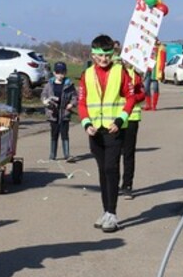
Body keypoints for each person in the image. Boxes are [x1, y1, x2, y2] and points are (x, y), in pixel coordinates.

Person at [78, 35, 144, 232]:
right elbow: (82, 102)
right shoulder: (87, 74)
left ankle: (112, 213)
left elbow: (131, 98)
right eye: (100, 55)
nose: (104, 59)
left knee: (111, 168)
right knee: (102, 171)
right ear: (93, 55)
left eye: (107, 55)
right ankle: (105, 211)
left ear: (113, 54)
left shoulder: (120, 72)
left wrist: (120, 120)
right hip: (95, 131)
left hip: (114, 130)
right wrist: (86, 123)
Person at [41, 61, 78, 162]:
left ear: (65, 72)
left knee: (64, 134)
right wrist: (45, 101)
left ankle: (67, 155)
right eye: (58, 72)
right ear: (54, 73)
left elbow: (75, 97)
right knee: (54, 134)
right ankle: (52, 155)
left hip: (64, 113)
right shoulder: (49, 84)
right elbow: (44, 94)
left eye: (62, 72)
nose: (60, 75)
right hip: (53, 113)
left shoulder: (69, 85)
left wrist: (72, 104)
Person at [119, 60, 145, 198]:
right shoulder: (116, 72)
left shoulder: (136, 75)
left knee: (128, 153)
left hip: (131, 118)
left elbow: (142, 95)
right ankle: (113, 183)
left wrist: (132, 97)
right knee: (113, 154)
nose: (127, 62)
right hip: (114, 117)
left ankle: (127, 185)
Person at [145, 40, 166, 110]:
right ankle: (148, 105)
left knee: (155, 88)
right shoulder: (149, 47)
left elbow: (163, 60)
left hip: (155, 71)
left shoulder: (161, 48)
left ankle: (154, 105)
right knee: (146, 87)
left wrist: (161, 70)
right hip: (148, 70)